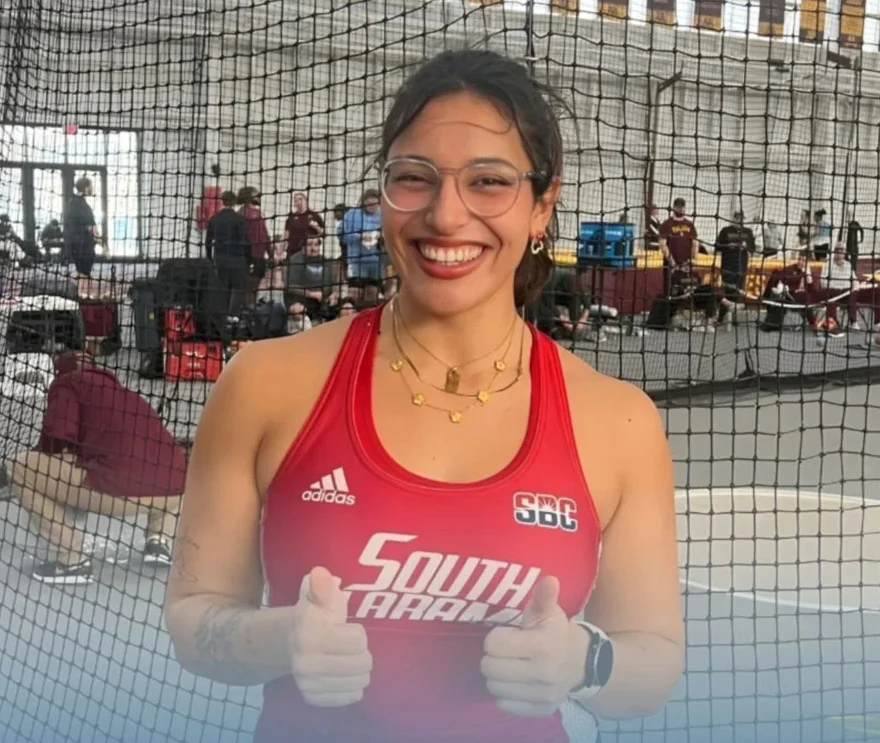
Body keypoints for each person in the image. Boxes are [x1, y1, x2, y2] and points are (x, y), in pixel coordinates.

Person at [164, 49, 684, 743]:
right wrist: (276, 638)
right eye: (415, 179)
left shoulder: (618, 420)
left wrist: (582, 659)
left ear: (542, 206)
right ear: (385, 195)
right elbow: (196, 614)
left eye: (489, 182)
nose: (446, 215)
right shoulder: (266, 382)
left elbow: (653, 661)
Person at [8, 351, 187, 584]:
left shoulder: (67, 383)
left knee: (19, 467)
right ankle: (159, 541)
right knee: (159, 465)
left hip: (124, 491)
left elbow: (57, 437)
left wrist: (42, 453)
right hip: (175, 493)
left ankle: (72, 561)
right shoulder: (126, 395)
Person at [205, 190, 252, 315]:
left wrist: (210, 258)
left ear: (222, 201)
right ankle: (233, 316)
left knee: (223, 289)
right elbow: (246, 241)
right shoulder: (240, 220)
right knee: (238, 289)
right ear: (235, 202)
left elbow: (208, 241)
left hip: (220, 259)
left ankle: (222, 315)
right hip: (238, 260)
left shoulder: (214, 219)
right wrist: (250, 260)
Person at [715, 211, 756, 326]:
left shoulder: (748, 232)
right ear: (733, 218)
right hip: (728, 266)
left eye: (741, 218)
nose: (739, 220)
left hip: (741, 266)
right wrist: (728, 246)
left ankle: (732, 317)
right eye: (737, 218)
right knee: (728, 291)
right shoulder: (725, 231)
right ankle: (721, 317)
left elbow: (753, 248)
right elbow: (717, 246)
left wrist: (746, 246)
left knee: (738, 292)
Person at [63, 177, 101, 293]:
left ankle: (81, 294)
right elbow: (92, 228)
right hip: (83, 244)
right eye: (90, 186)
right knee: (85, 272)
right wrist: (103, 244)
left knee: (81, 271)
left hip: (74, 243)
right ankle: (83, 295)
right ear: (85, 188)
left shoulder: (72, 202)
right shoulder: (83, 206)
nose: (92, 189)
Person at [284, 192, 325, 257]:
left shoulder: (314, 215)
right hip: (293, 252)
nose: (299, 202)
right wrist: (280, 251)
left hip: (309, 252)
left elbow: (324, 233)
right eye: (296, 200)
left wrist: (317, 227)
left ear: (306, 201)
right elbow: (285, 236)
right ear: (295, 204)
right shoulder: (291, 218)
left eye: (301, 199)